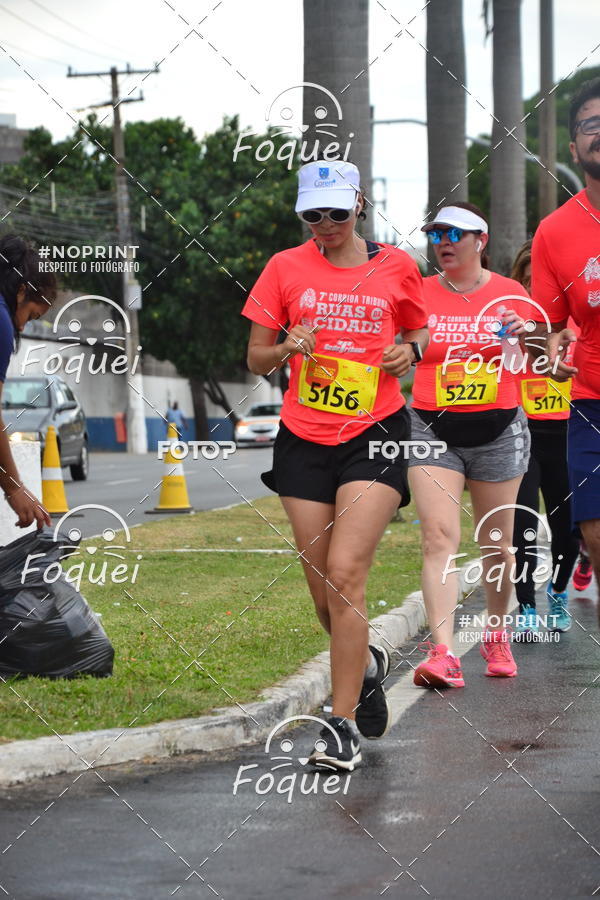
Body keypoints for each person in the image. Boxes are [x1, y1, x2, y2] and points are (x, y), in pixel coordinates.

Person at [242, 160, 429, 770]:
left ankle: (340, 723)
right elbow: (255, 358)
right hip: (304, 437)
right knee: (325, 590)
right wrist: (286, 347)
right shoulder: (284, 268)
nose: (325, 224)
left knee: (347, 575)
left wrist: (409, 352)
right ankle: (366, 662)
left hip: (375, 432)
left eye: (337, 212)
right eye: (312, 214)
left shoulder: (396, 266)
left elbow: (421, 333)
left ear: (359, 206)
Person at [408, 202, 531, 688]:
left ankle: (496, 635)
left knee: (497, 546)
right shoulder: (418, 293)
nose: (443, 243)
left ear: (480, 240)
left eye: (454, 234)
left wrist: (517, 339)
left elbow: (523, 368)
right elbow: (403, 350)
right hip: (431, 428)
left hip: (498, 429)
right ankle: (443, 653)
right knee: (438, 538)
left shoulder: (510, 294)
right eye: (436, 234)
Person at [531, 76, 600, 626]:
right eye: (590, 125)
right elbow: (550, 327)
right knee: (594, 533)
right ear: (574, 147)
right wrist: (552, 352)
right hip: (591, 403)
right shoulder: (554, 233)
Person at [510, 241, 580, 637]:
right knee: (523, 523)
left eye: (542, 283)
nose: (535, 290)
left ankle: (557, 590)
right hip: (522, 433)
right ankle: (525, 606)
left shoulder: (576, 323)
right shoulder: (510, 324)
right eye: (527, 282)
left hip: (568, 434)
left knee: (566, 526)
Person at [0, 235, 56, 529]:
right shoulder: (2, 321)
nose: (22, 326)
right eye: (31, 316)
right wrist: (14, 488)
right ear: (21, 291)